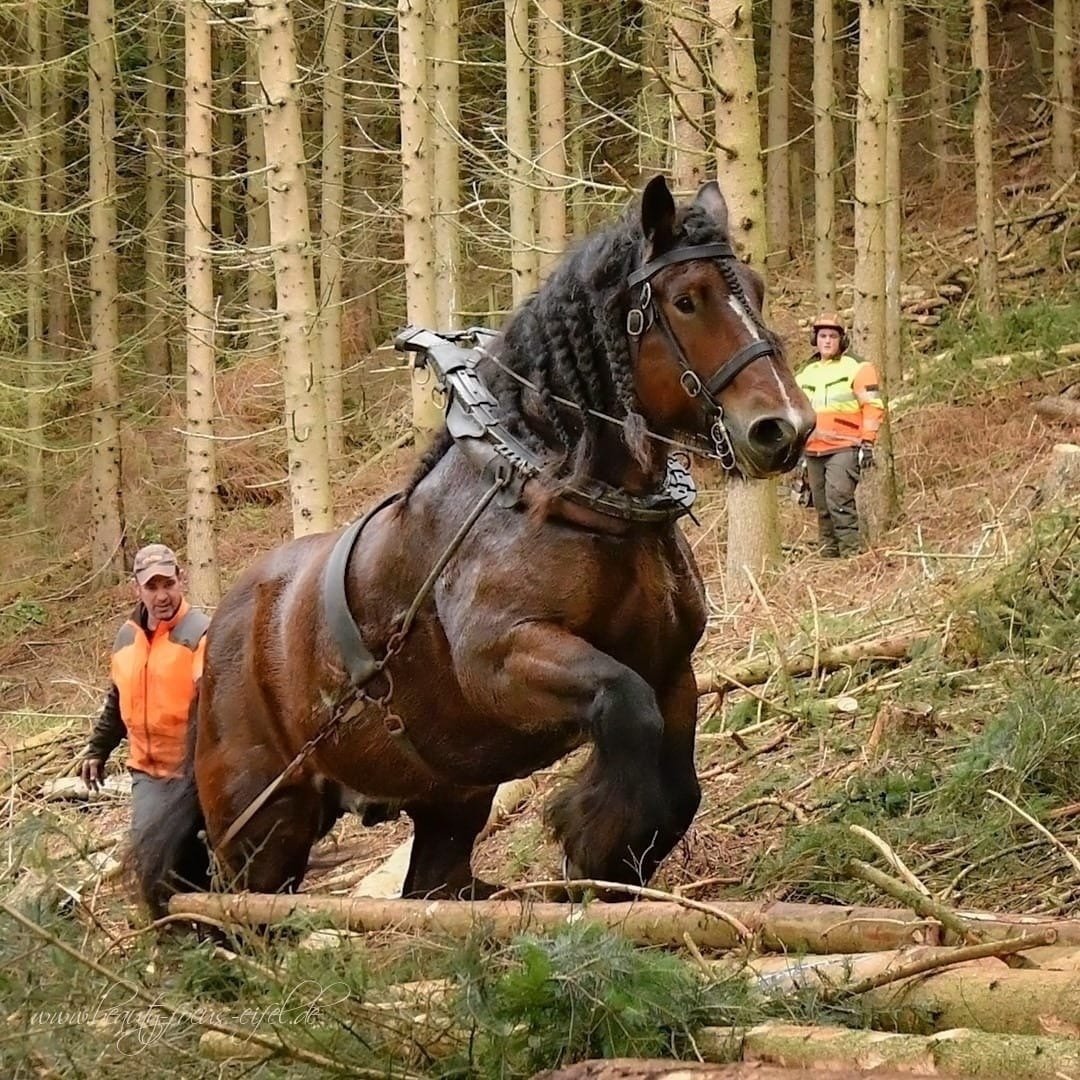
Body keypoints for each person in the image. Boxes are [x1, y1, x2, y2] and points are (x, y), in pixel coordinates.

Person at [79, 543, 209, 915]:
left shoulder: (199, 633)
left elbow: (215, 706)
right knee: (152, 858)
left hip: (195, 771)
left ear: (180, 580)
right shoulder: (127, 638)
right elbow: (117, 701)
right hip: (148, 774)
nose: (161, 595)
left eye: (168, 584)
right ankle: (165, 932)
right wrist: (97, 750)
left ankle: (214, 933)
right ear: (137, 589)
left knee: (198, 856)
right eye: (151, 587)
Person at [795, 314, 885, 558]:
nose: (827, 341)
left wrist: (867, 441)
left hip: (845, 446)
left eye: (832, 336)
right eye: (822, 336)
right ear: (815, 339)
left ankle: (851, 556)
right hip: (813, 448)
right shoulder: (805, 372)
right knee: (821, 506)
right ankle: (829, 557)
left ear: (842, 340)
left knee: (839, 501)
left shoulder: (858, 368)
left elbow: (873, 406)